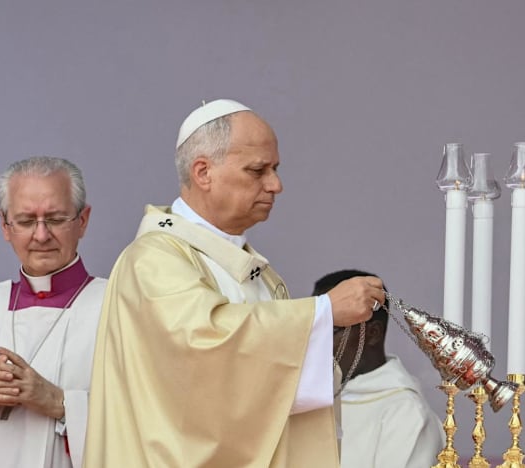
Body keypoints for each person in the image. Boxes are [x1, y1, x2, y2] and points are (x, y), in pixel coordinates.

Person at [83, 99, 386, 467]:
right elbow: (200, 352)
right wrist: (322, 312)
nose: (276, 185)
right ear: (203, 172)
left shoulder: (258, 272)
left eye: (275, 169)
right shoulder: (153, 260)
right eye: (257, 170)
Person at [0, 157, 106, 468]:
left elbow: (149, 423)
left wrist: (60, 403)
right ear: (5, 226)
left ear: (83, 220)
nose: (41, 235)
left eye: (55, 219)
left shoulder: (117, 308)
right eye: (25, 221)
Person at [313, 269, 444, 468]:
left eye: (330, 329)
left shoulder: (405, 414)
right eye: (313, 329)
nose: (316, 342)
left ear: (373, 333)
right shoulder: (308, 398)